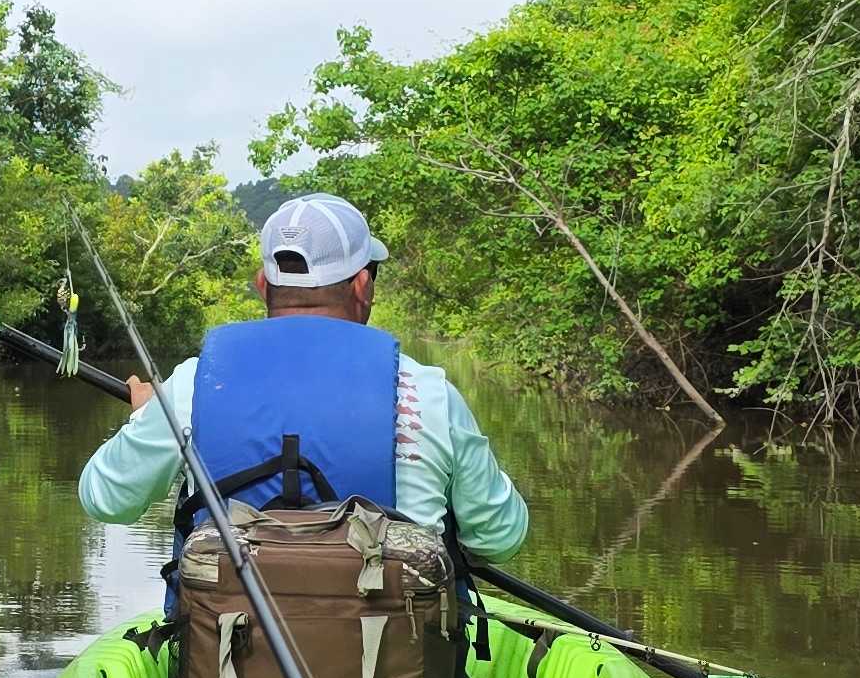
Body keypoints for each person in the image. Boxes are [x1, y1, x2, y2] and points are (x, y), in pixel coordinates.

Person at [74, 190, 528, 555]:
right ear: (362, 285)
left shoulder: (194, 386)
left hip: (227, 666)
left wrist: (146, 417)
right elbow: (498, 539)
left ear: (262, 285)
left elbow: (105, 499)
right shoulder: (428, 394)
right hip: (393, 667)